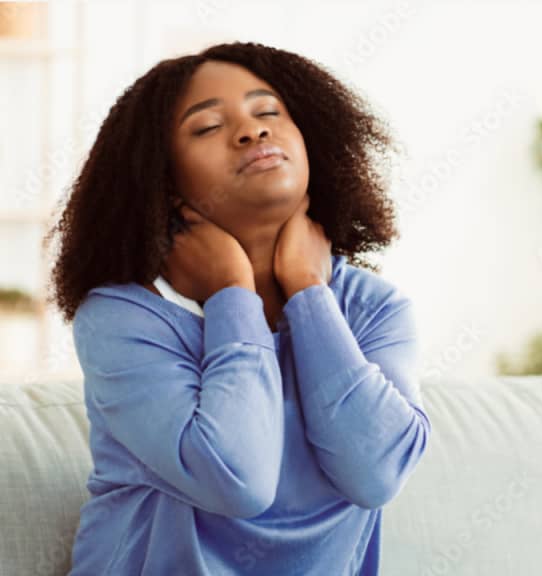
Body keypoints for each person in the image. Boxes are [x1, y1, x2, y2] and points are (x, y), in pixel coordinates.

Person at [45, 41, 431, 575]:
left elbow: (376, 472)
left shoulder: (373, 310)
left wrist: (308, 294)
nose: (252, 132)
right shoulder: (124, 319)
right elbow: (236, 477)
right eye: (206, 128)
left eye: (268, 111)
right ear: (161, 178)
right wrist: (232, 291)